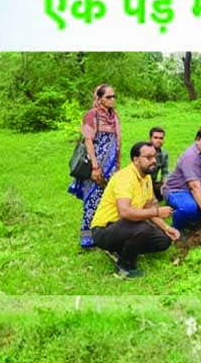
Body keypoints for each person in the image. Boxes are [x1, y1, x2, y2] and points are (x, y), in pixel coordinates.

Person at [89, 141, 180, 279]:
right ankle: (124, 268)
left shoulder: (146, 177)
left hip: (126, 227)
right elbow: (125, 212)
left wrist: (166, 227)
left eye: (154, 157)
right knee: (143, 227)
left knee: (163, 241)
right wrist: (157, 212)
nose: (154, 161)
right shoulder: (125, 178)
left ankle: (120, 249)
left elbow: (148, 206)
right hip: (104, 230)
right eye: (148, 157)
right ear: (136, 160)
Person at [68, 84, 121, 249]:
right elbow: (88, 141)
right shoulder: (91, 115)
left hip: (111, 166)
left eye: (114, 97)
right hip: (95, 166)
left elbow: (116, 143)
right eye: (108, 97)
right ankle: (86, 239)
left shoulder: (113, 116)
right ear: (99, 98)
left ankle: (103, 235)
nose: (112, 100)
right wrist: (95, 166)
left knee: (107, 200)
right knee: (91, 201)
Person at [149, 126, 170, 201]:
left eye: (161, 138)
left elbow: (165, 172)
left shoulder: (164, 154)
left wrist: (164, 185)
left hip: (152, 183)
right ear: (150, 139)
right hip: (140, 183)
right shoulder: (143, 151)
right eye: (155, 138)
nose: (158, 140)